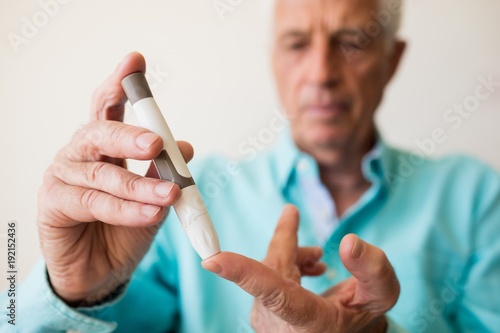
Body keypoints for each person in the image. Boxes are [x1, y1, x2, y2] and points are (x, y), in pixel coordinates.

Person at [2, 0, 500, 331]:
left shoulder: (476, 198)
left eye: (353, 41)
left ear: (393, 59)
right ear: (272, 58)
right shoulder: (170, 207)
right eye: (298, 43)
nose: (322, 74)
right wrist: (74, 291)